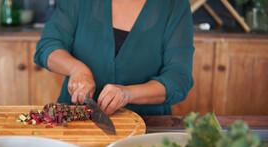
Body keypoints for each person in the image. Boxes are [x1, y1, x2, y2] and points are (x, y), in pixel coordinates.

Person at [34, 0, 194, 115]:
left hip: (147, 125)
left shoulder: (175, 5)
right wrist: (76, 68)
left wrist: (128, 94)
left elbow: (179, 78)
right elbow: (48, 46)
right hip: (75, 118)